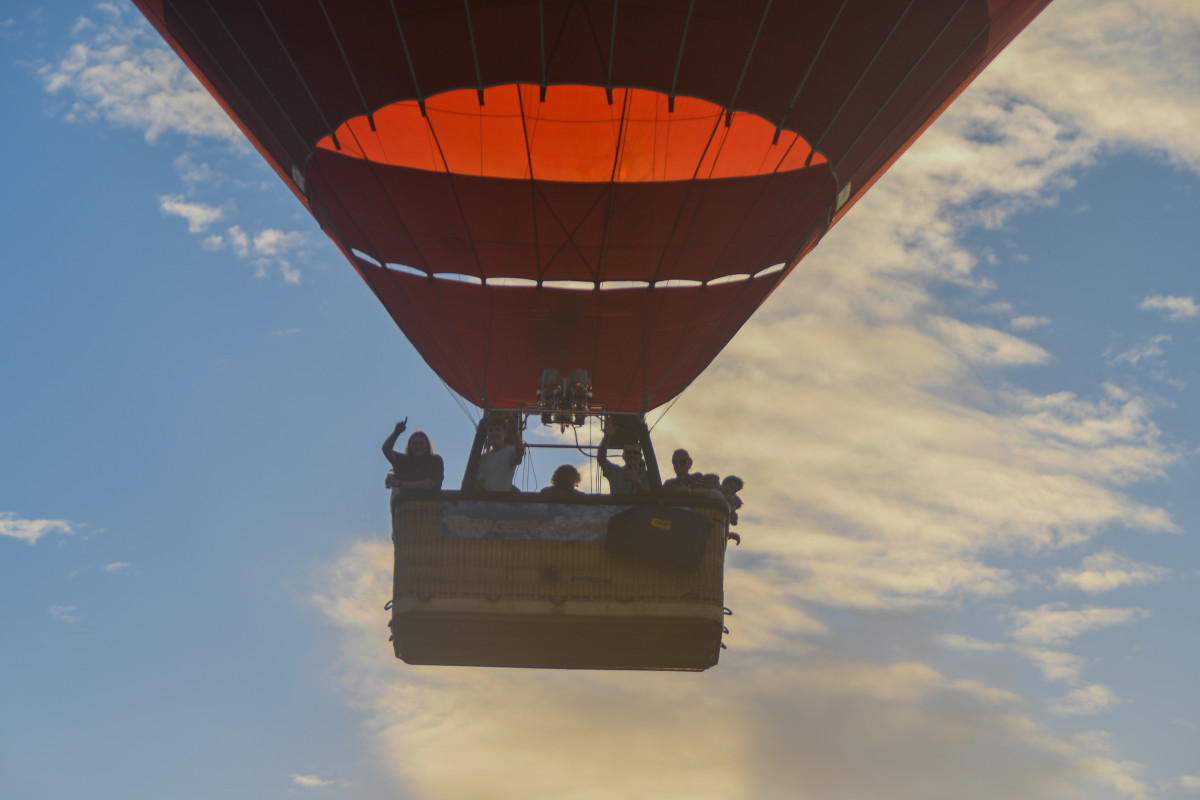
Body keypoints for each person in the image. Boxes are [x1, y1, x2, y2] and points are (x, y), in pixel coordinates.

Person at [381, 419, 444, 506]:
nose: (418, 446)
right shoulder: (403, 461)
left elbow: (429, 484)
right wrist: (396, 433)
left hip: (429, 506)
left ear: (427, 446)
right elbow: (386, 450)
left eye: (421, 444)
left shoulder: (435, 461)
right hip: (405, 508)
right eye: (414, 443)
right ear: (409, 446)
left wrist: (399, 483)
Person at [474, 416, 525, 491]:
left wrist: (515, 432)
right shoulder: (483, 458)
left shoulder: (510, 452)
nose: (494, 433)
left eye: (498, 430)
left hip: (501, 497)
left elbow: (520, 452)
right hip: (484, 498)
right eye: (491, 430)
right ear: (487, 434)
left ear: (505, 433)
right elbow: (477, 479)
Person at [597, 430, 650, 495]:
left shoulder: (649, 475)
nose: (631, 455)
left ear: (640, 456)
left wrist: (636, 481)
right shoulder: (615, 472)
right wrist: (607, 437)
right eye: (628, 453)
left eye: (635, 453)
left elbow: (652, 495)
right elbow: (601, 459)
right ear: (623, 456)